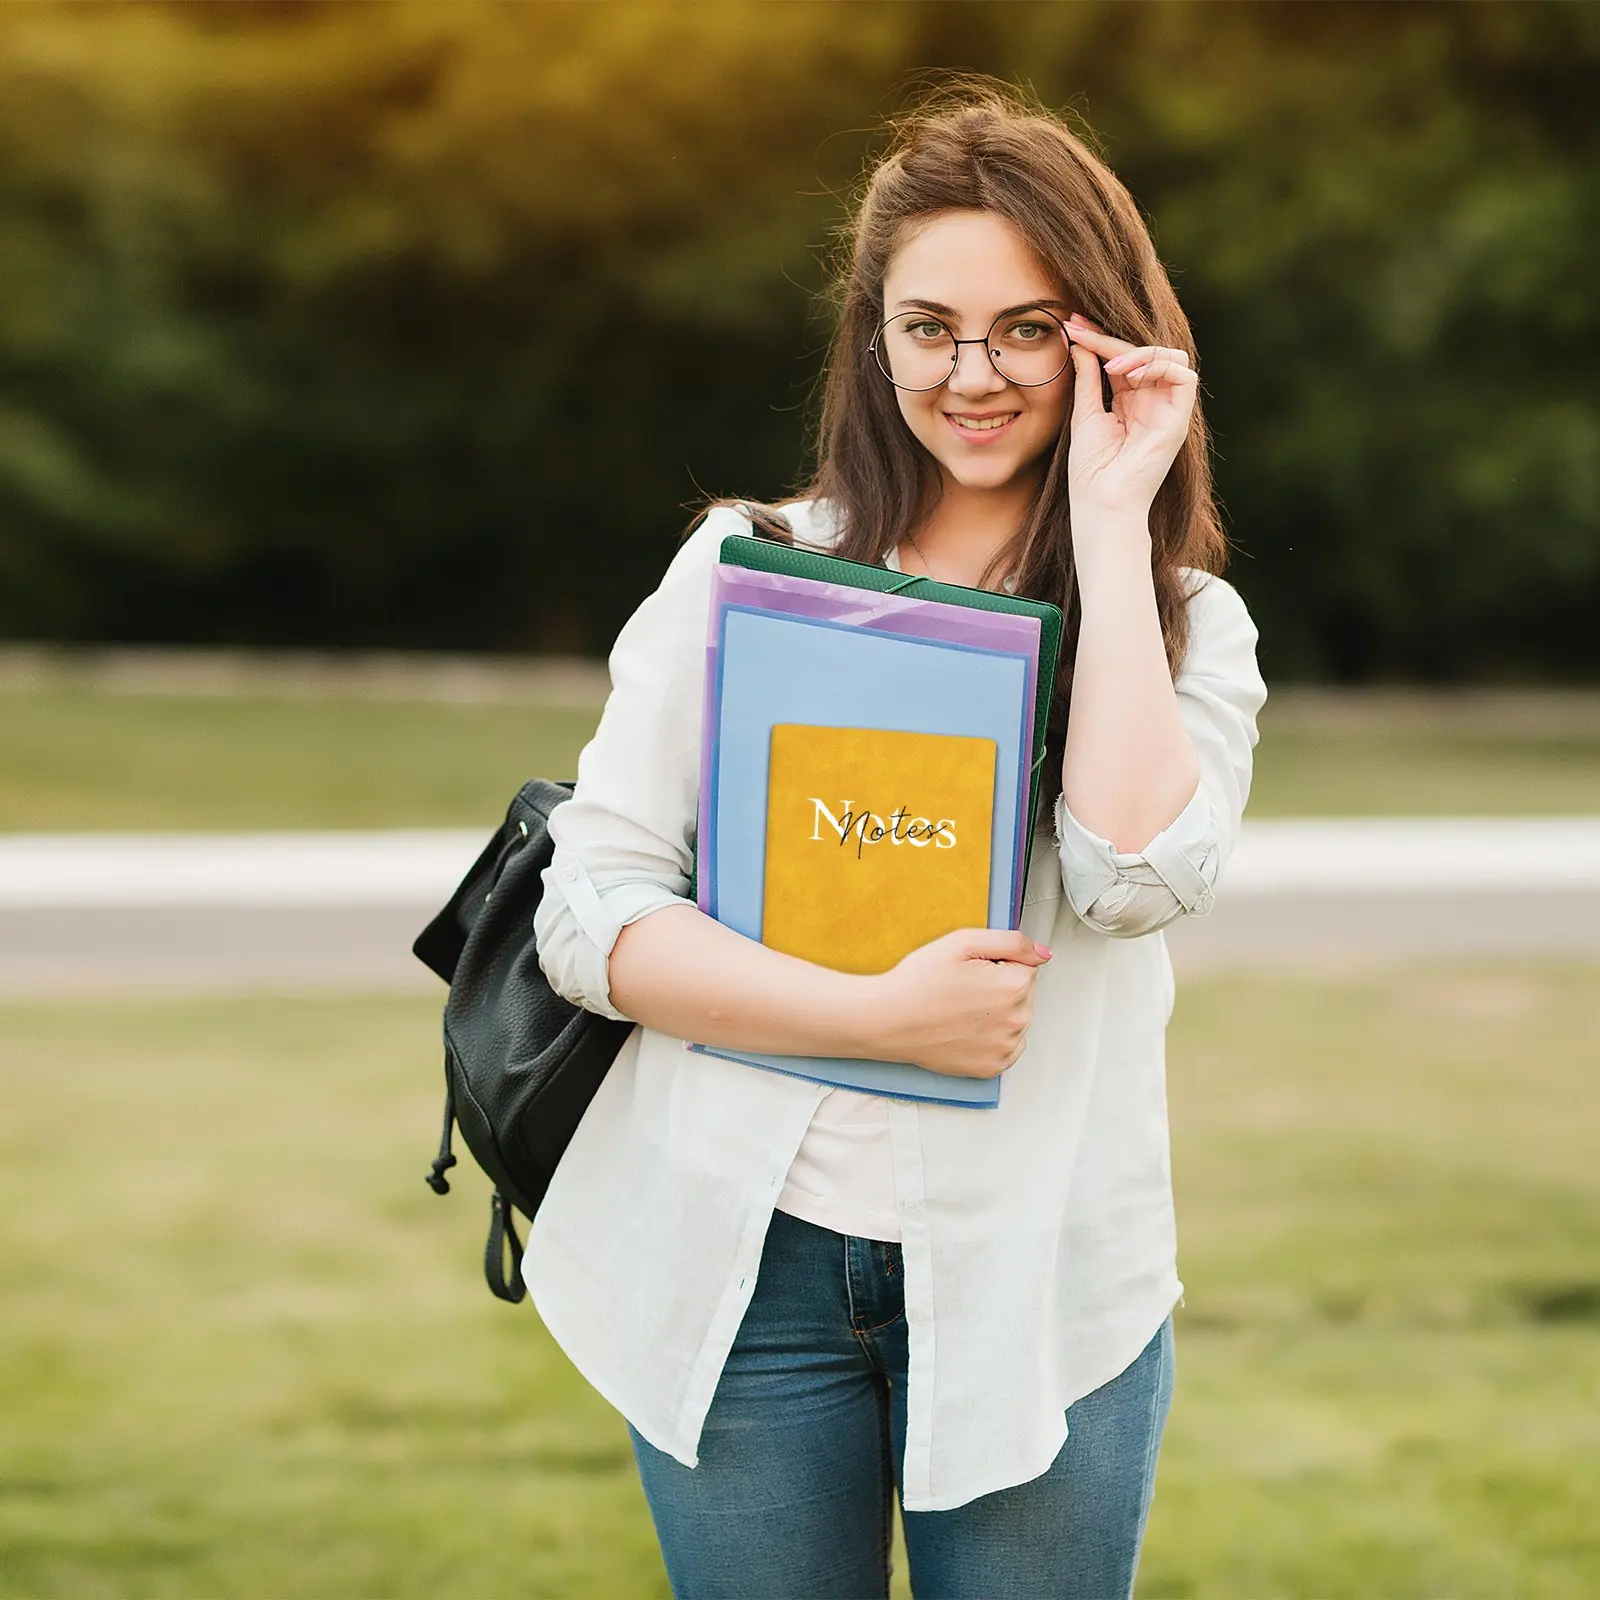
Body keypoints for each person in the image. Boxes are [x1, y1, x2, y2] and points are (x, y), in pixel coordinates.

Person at [529, 84, 1266, 1600]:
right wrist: (874, 1019)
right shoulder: (751, 567)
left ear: (1103, 335)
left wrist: (1115, 526)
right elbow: (589, 914)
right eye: (929, 326)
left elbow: (1137, 878)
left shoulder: (1186, 622)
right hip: (744, 1273)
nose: (972, 374)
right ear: (874, 335)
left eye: (1027, 328)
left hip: (1042, 1281)